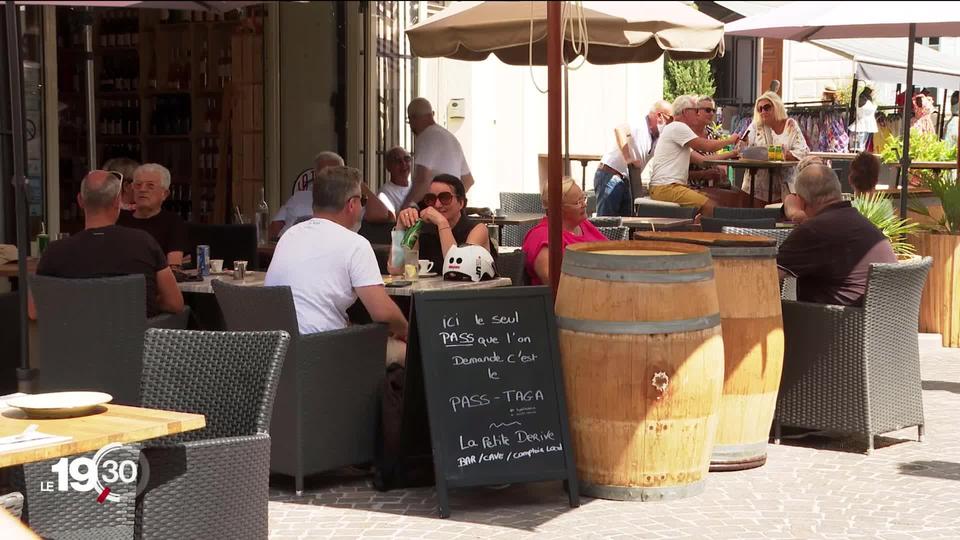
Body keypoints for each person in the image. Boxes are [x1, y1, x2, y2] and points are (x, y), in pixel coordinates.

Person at [265, 166, 408, 365]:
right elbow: (384, 308)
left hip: (280, 352)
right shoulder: (355, 244)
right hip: (323, 353)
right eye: (362, 201)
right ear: (352, 204)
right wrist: (406, 330)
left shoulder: (289, 236)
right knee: (408, 351)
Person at [29, 170, 184, 319]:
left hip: (76, 343)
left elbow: (34, 311)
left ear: (80, 201)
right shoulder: (145, 243)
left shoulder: (55, 251)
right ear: (117, 202)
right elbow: (175, 303)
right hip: (136, 343)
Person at [777, 165, 896, 307]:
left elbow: (768, 277)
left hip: (834, 324)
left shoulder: (813, 231)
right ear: (838, 191)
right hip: (884, 321)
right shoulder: (860, 222)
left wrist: (792, 211)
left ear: (802, 201)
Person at [646, 95, 741, 217]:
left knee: (717, 201)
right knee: (711, 206)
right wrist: (730, 140)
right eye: (696, 110)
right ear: (685, 112)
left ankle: (697, 229)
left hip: (667, 188)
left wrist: (732, 153)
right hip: (666, 188)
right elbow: (706, 146)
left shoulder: (676, 131)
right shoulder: (678, 127)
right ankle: (701, 234)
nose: (698, 114)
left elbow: (702, 160)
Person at [392, 174, 491, 275]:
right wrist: (400, 227)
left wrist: (442, 223)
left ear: (461, 203)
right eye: (431, 199)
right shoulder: (424, 228)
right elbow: (396, 270)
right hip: (430, 289)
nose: (437, 205)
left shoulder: (477, 229)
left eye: (445, 198)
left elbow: (457, 269)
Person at [522, 177, 607, 286]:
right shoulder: (542, 236)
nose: (584, 205)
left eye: (584, 198)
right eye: (578, 202)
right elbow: (554, 283)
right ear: (559, 208)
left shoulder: (583, 224)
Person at [594, 100, 673, 216]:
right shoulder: (640, 124)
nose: (671, 123)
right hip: (611, 175)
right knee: (606, 221)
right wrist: (628, 158)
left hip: (627, 180)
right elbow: (619, 130)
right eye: (670, 119)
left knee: (625, 223)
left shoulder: (657, 137)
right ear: (659, 115)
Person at [742, 91, 810, 220]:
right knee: (759, 219)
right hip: (758, 182)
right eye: (760, 109)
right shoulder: (756, 126)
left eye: (767, 107)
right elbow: (743, 149)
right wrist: (778, 153)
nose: (763, 111)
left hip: (785, 182)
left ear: (777, 106)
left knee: (782, 219)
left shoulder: (790, 125)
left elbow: (803, 151)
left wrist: (786, 154)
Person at [400, 98, 475, 210]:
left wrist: (405, 209)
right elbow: (468, 180)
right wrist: (452, 202)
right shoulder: (450, 137)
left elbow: (423, 179)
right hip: (453, 210)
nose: (411, 126)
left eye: (409, 121)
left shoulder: (426, 136)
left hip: (432, 206)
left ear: (413, 118)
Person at [116, 163, 189, 268]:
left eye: (150, 186)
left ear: (165, 194)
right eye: (138, 185)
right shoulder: (118, 219)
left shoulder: (173, 222)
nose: (142, 189)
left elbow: (174, 266)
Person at [270, 152, 345, 239]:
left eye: (337, 173)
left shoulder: (349, 201)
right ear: (316, 174)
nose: (332, 177)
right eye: (327, 172)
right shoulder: (299, 198)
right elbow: (275, 226)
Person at [687, 96, 733, 188]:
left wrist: (718, 170)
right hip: (689, 186)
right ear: (697, 111)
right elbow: (679, 173)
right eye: (708, 110)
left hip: (710, 185)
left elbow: (713, 159)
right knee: (735, 197)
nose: (712, 113)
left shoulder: (711, 133)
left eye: (713, 110)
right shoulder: (686, 133)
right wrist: (703, 174)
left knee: (739, 194)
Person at [378, 146, 412, 216]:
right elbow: (392, 219)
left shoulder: (416, 187)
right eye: (398, 161)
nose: (404, 164)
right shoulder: (385, 193)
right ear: (388, 167)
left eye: (407, 159)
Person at [848, 87, 878, 152]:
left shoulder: (869, 99)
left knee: (864, 147)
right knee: (859, 148)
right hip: (861, 125)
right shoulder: (862, 98)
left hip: (868, 126)